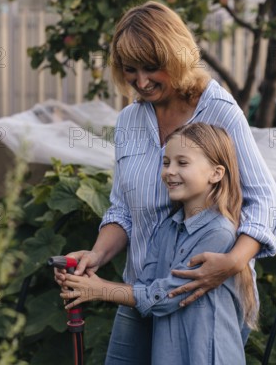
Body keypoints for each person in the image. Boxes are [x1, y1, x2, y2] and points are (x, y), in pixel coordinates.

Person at [55, 0, 276, 364]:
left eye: (152, 68)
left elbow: (265, 202)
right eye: (130, 70)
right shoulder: (130, 121)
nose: (141, 82)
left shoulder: (219, 110)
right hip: (139, 288)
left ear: (177, 59)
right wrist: (97, 254)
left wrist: (231, 262)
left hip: (197, 293)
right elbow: (124, 209)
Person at [61, 123, 257, 364]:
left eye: (182, 163)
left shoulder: (219, 233)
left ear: (216, 173)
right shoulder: (167, 228)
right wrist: (84, 282)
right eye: (166, 163)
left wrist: (100, 289)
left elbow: (167, 294)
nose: (169, 171)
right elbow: (145, 284)